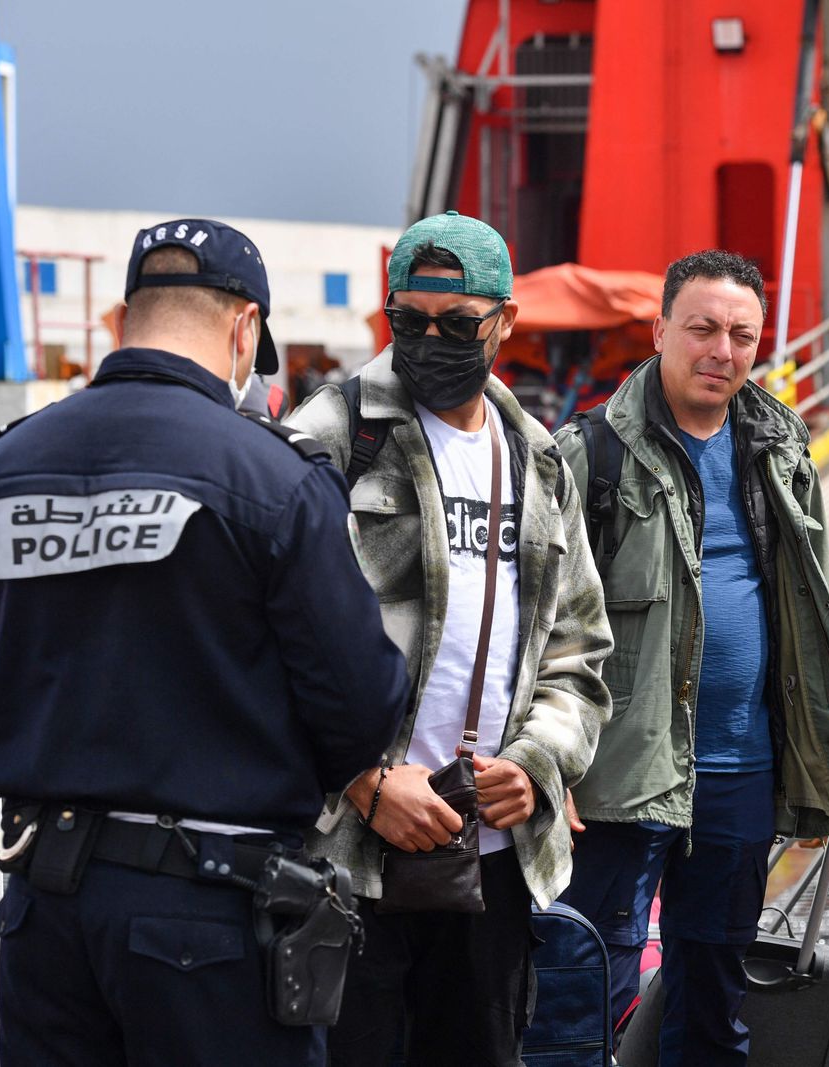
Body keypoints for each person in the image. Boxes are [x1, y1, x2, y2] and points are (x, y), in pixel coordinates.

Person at [0, 218, 413, 1066]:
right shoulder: (275, 477)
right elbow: (358, 703)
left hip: (45, 910)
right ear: (245, 329)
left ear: (127, 319)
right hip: (211, 917)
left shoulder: (0, 470)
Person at [286, 210, 613, 1067]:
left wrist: (537, 765)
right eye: (409, 322)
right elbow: (261, 635)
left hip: (491, 862)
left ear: (504, 321)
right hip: (348, 857)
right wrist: (362, 778)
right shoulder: (330, 437)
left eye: (457, 324)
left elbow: (579, 649)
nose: (430, 341)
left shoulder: (539, 459)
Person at [555, 249, 829, 1065]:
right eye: (702, 328)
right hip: (619, 768)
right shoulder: (588, 451)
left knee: (714, 989)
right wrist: (552, 763)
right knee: (590, 973)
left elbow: (803, 611)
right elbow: (548, 621)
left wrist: (810, 763)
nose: (722, 350)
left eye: (743, 334)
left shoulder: (780, 447)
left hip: (739, 766)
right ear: (660, 328)